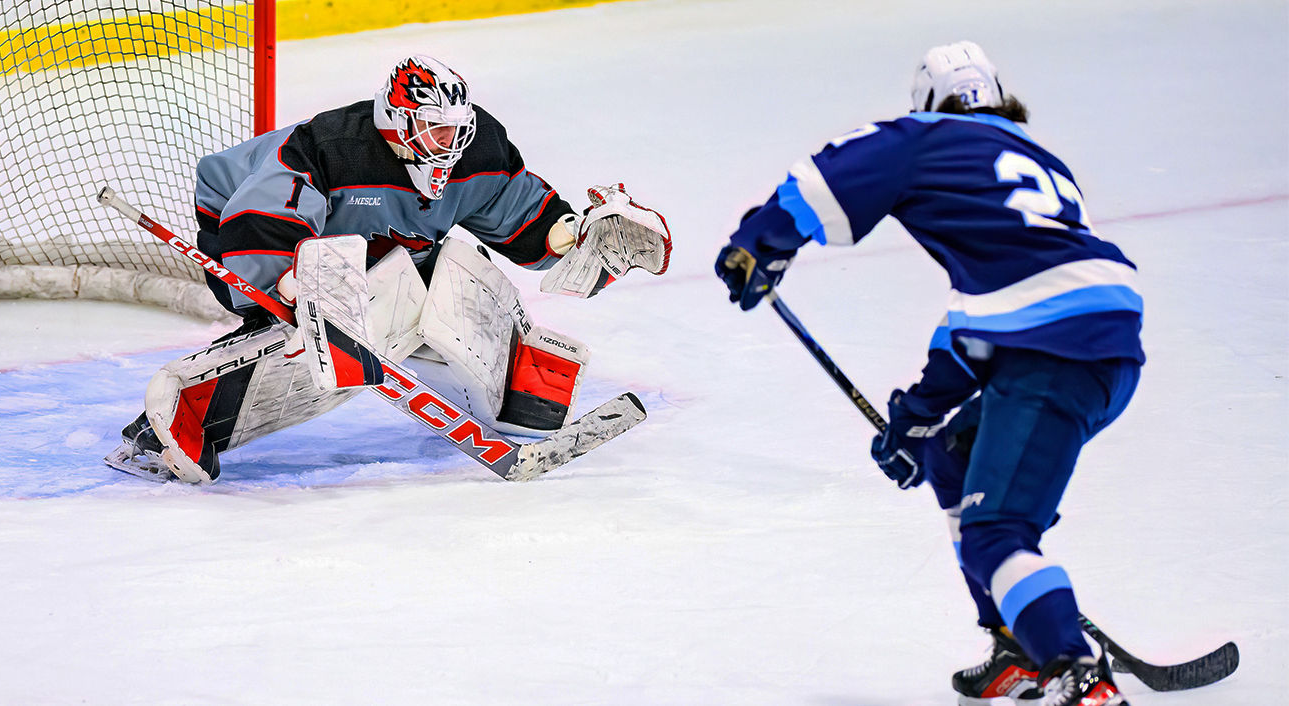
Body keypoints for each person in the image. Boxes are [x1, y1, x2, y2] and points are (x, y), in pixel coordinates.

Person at [716, 41, 1141, 706]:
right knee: (951, 453)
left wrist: (760, 242)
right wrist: (917, 415)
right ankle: (1015, 642)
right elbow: (990, 311)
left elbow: (826, 175)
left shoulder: (928, 136)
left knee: (996, 532)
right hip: (1097, 342)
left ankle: (1074, 670)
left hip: (1056, 355)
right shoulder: (1038, 162)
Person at [106, 55, 670, 484]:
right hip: (247, 224)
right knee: (359, 327)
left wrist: (577, 234)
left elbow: (521, 217)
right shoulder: (333, 147)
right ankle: (175, 421)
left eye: (456, 130)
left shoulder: (476, 152)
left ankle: (516, 393)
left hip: (368, 245)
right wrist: (292, 283)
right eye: (434, 130)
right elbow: (259, 214)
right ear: (397, 121)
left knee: (449, 275)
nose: (449, 145)